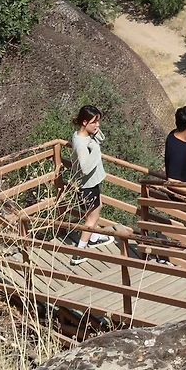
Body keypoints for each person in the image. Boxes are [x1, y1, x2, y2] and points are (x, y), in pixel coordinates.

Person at [68, 105, 111, 265]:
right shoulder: (82, 143)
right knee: (92, 218)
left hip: (85, 185)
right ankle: (79, 252)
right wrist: (96, 150)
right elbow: (85, 168)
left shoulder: (78, 135)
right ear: (85, 122)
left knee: (96, 209)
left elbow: (100, 138)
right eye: (94, 122)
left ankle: (94, 237)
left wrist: (95, 137)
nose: (97, 125)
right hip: (87, 186)